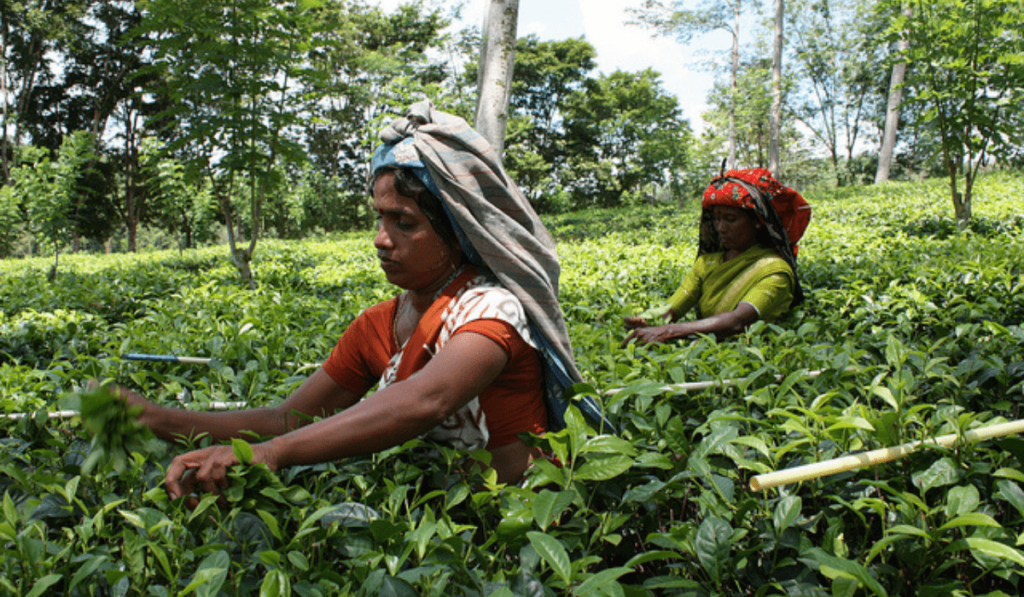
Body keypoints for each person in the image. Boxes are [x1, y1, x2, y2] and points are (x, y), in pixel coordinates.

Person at [113, 101, 604, 507]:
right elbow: (289, 418)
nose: (381, 240)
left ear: (457, 233)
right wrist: (160, 419)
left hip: (523, 518)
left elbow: (424, 402)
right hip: (432, 518)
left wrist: (272, 454)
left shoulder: (491, 313)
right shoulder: (379, 324)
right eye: (379, 219)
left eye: (404, 223)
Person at [622, 168, 811, 347]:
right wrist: (647, 321)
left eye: (730, 219)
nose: (720, 228)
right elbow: (671, 310)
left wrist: (667, 331)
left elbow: (738, 322)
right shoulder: (707, 263)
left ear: (757, 221)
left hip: (754, 361)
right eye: (717, 219)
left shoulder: (774, 271)